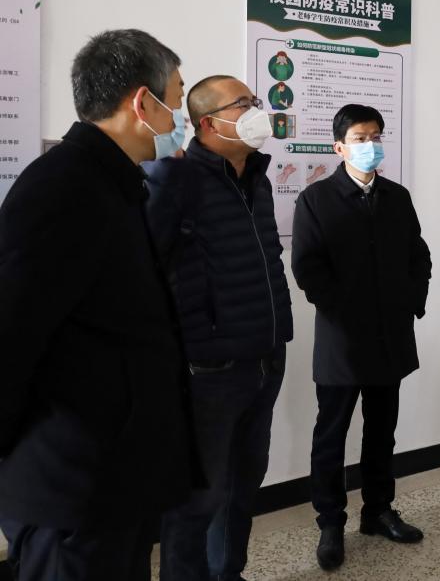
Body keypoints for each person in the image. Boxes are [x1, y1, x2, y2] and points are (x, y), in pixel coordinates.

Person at [0, 29, 196, 581]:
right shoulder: (62, 186)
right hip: (70, 485)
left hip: (114, 475)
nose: (179, 119)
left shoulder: (116, 182)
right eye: (176, 102)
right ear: (143, 103)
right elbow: (10, 330)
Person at [145, 76, 293, 581]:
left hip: (266, 356)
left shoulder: (259, 178)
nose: (256, 110)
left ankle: (227, 573)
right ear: (208, 123)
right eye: (243, 104)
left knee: (243, 487)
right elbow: (148, 270)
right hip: (209, 369)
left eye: (255, 101)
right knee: (197, 499)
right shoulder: (175, 180)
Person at [291, 104, 432, 571]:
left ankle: (378, 511)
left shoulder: (397, 197)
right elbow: (308, 269)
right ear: (339, 147)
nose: (369, 144)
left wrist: (411, 301)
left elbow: (418, 256)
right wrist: (346, 314)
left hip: (390, 336)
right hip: (342, 342)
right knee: (330, 436)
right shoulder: (315, 199)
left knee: (381, 431)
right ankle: (330, 522)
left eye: (375, 136)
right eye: (358, 138)